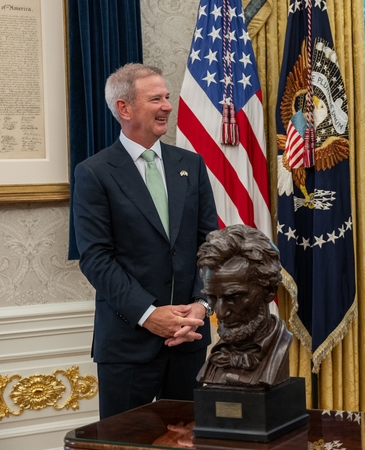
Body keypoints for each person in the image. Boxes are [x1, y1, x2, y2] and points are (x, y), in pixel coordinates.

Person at [72, 63, 218, 418]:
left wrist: (202, 305)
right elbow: (96, 258)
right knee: (124, 441)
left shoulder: (191, 165)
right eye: (156, 99)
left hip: (189, 339)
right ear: (124, 108)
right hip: (127, 345)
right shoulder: (94, 173)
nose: (168, 106)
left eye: (167, 97)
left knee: (189, 438)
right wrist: (149, 315)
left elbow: (211, 246)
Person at [195, 224, 291, 388]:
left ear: (269, 291)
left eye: (234, 297)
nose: (220, 313)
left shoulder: (280, 346)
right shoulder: (216, 357)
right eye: (212, 297)